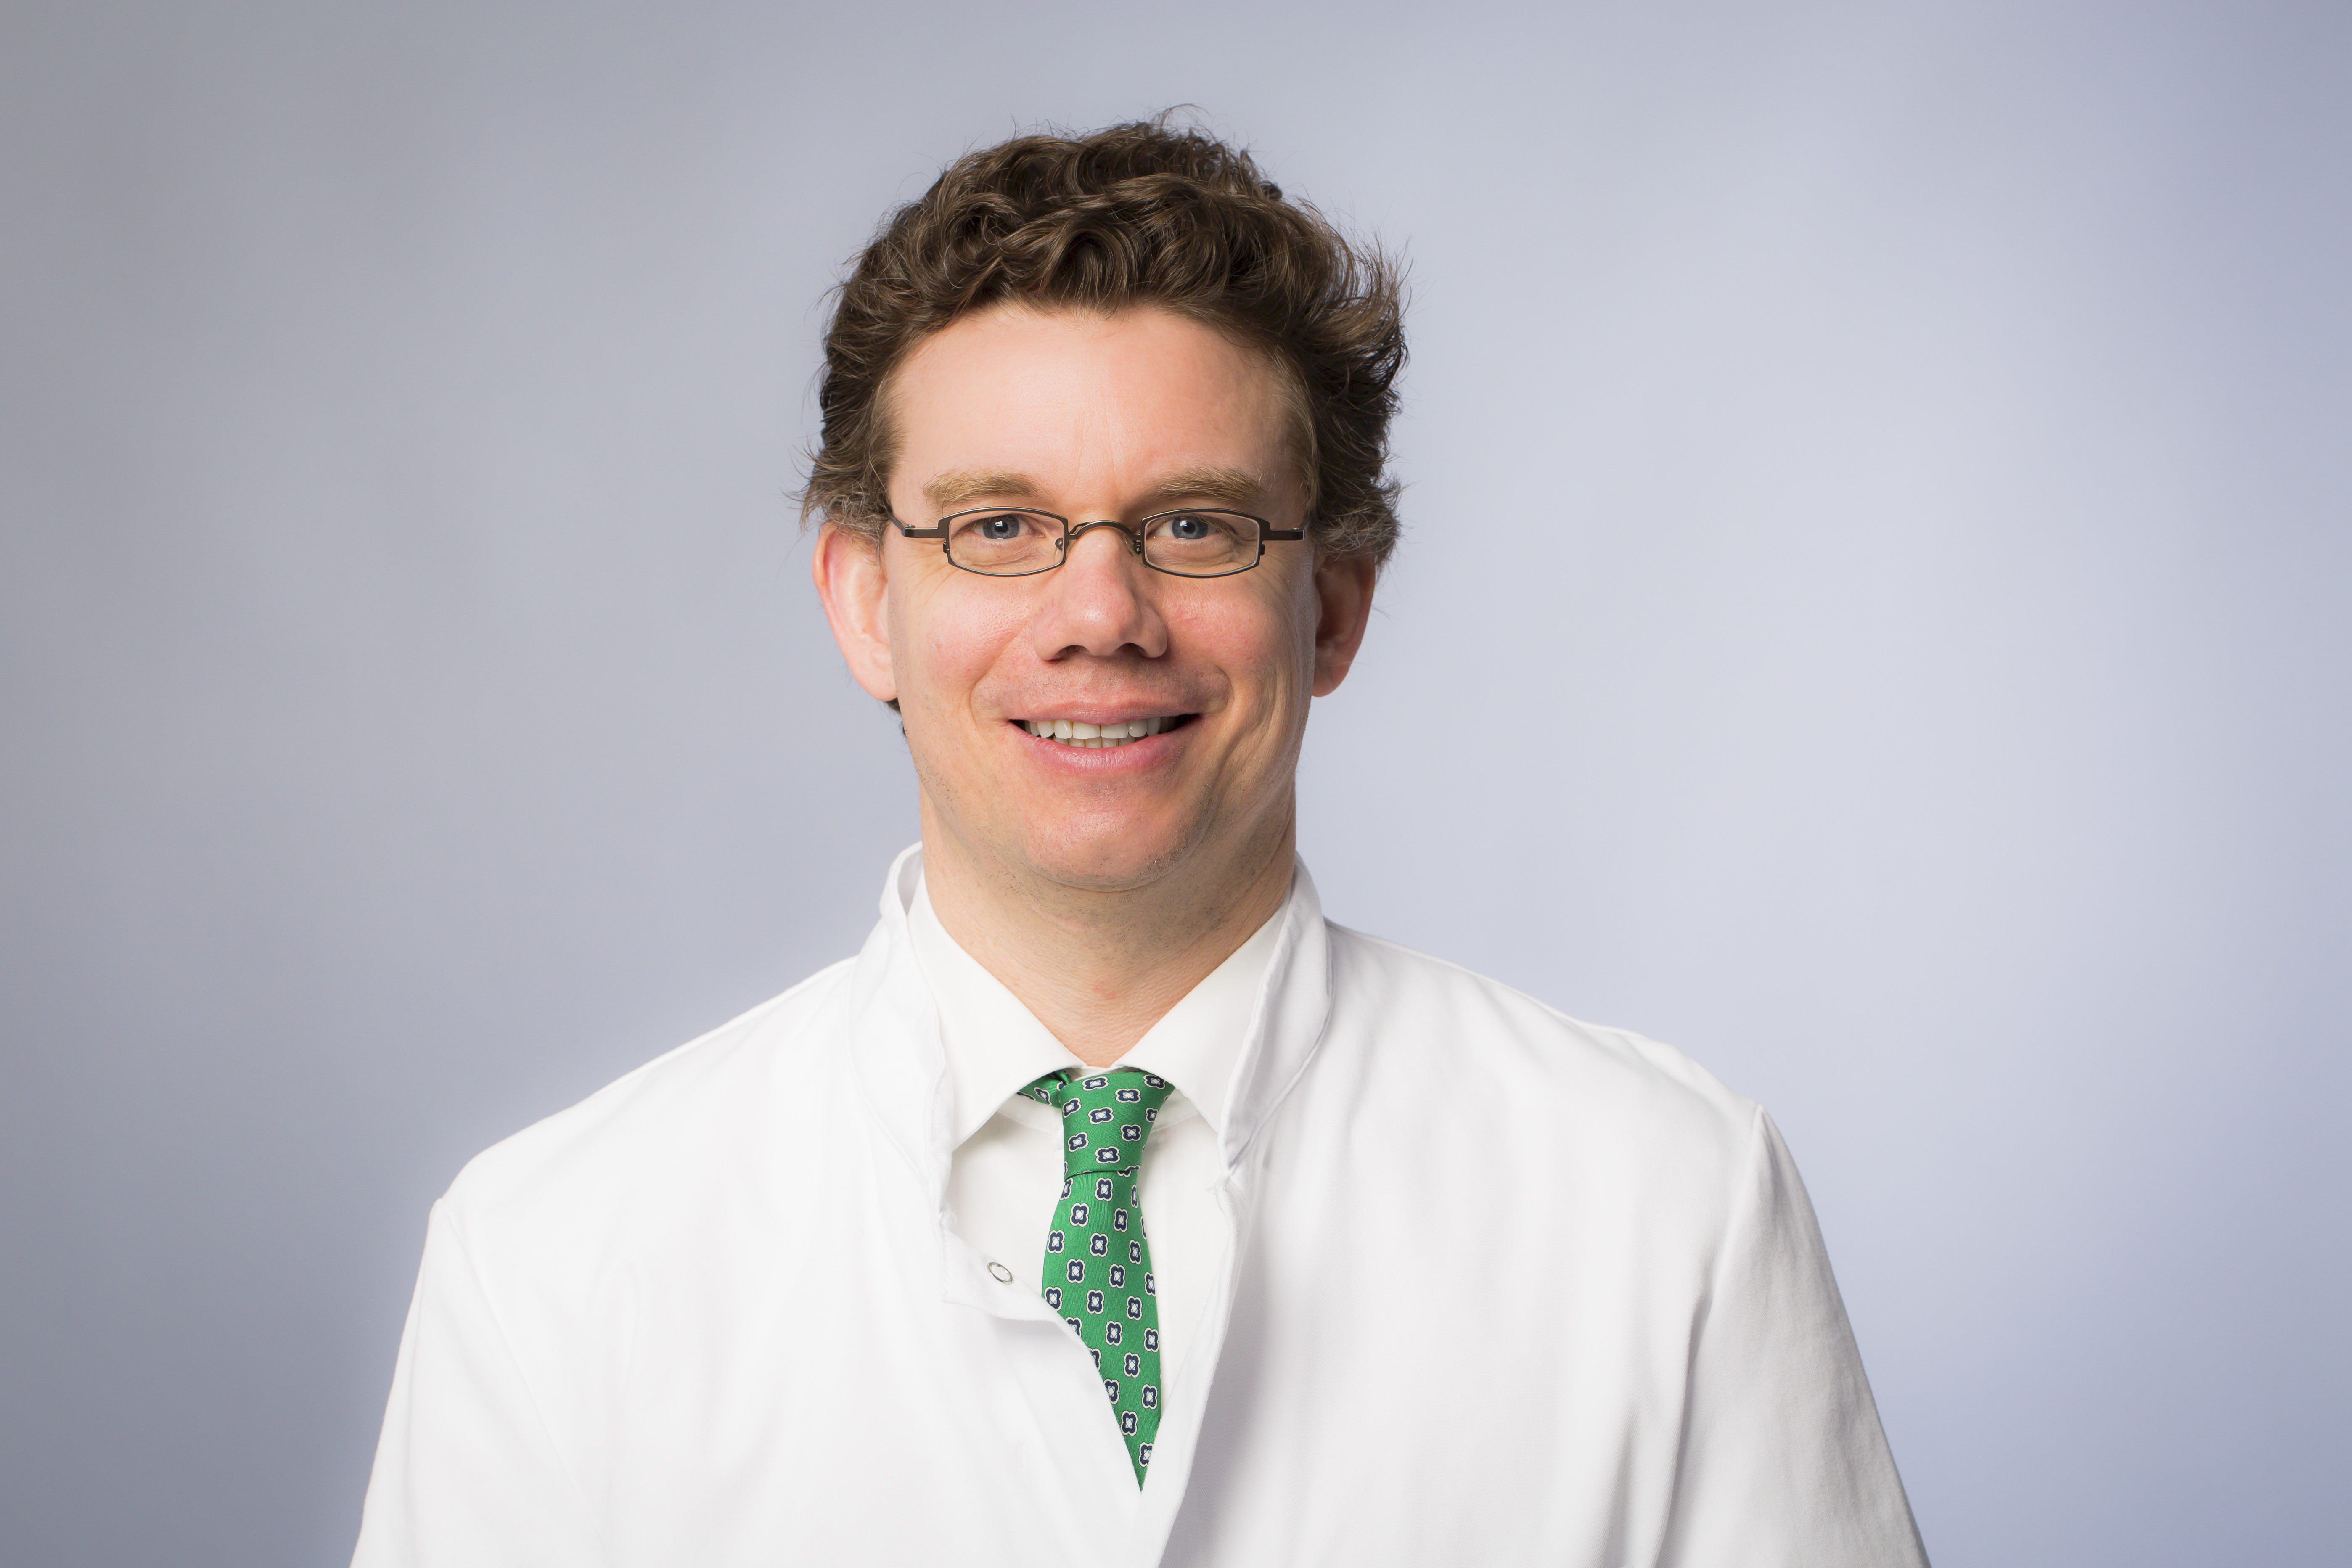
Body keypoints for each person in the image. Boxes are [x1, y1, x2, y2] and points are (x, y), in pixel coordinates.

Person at [351, 119, 1928, 1568]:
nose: (1099, 614)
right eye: (998, 526)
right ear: (864, 601)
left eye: (1193, 525)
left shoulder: (1665, 1201)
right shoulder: (556, 1254)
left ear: (1332, 606)